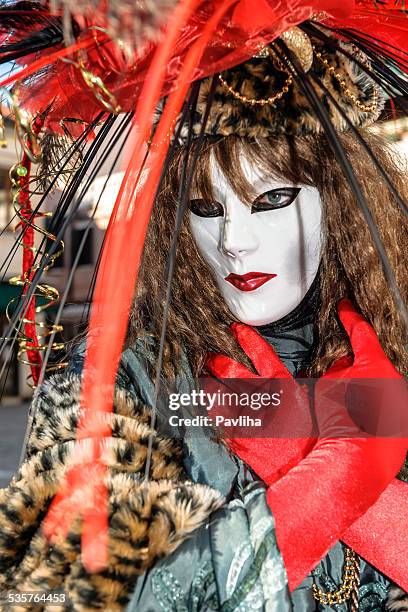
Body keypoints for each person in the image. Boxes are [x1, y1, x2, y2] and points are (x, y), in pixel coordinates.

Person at [0, 3, 407, 611]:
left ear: (343, 203)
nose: (234, 242)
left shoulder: (399, 344)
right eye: (206, 209)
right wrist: (329, 483)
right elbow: (49, 595)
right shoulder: (122, 383)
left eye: (271, 198)